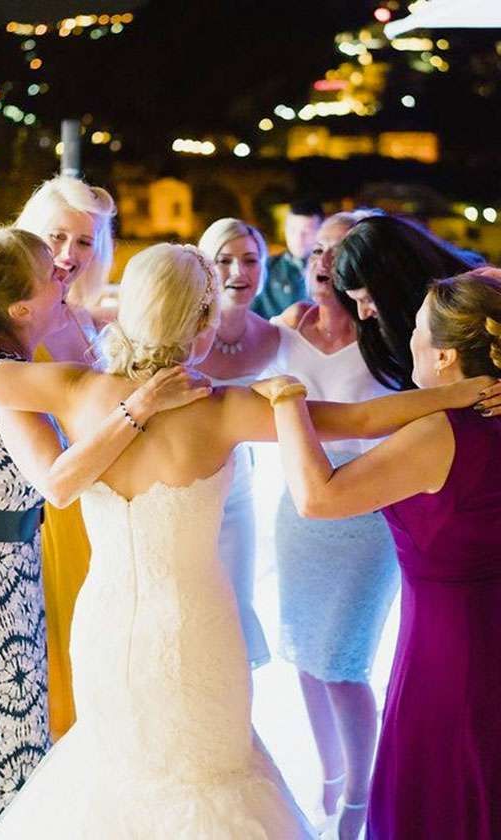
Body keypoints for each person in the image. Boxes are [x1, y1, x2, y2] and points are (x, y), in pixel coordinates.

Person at [0, 242, 490, 838]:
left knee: (112, 770)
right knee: (212, 781)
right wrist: (451, 394)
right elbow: (358, 420)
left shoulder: (72, 388)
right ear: (201, 324)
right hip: (197, 631)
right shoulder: (226, 408)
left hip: (103, 623)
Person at [0, 228, 210, 835]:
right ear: (20, 308)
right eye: (50, 271)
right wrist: (138, 409)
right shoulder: (3, 375)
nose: (65, 272)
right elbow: (57, 485)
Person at [253, 269, 501, 839]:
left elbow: (318, 497)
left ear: (443, 356)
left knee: (447, 791)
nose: (406, 336)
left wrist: (288, 396)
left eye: (416, 327)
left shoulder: (444, 433)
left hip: (451, 656)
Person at [272, 211, 398, 840]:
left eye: (339, 252)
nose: (323, 261)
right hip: (298, 512)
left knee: (344, 664)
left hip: (368, 517)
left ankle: (358, 798)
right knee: (303, 653)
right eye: (317, 249)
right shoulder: (286, 329)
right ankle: (325, 779)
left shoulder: (388, 336)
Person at [15, 175, 117, 740]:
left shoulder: (88, 316)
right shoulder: (11, 319)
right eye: (57, 237)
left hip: (98, 505)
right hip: (43, 507)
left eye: (84, 242)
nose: (68, 256)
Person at [197, 217, 280, 669]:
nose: (238, 272)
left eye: (250, 260)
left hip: (241, 492)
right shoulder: (180, 335)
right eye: (223, 260)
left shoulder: (274, 337)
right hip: (182, 490)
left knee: (235, 605)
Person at [333, 214, 475, 389]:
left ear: (396, 284)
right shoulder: (384, 330)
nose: (362, 314)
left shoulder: (470, 305)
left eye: (367, 299)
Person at [252, 200, 323, 320]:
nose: (298, 238)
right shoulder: (266, 268)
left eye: (306, 231)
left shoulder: (332, 270)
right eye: (292, 230)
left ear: (321, 231)